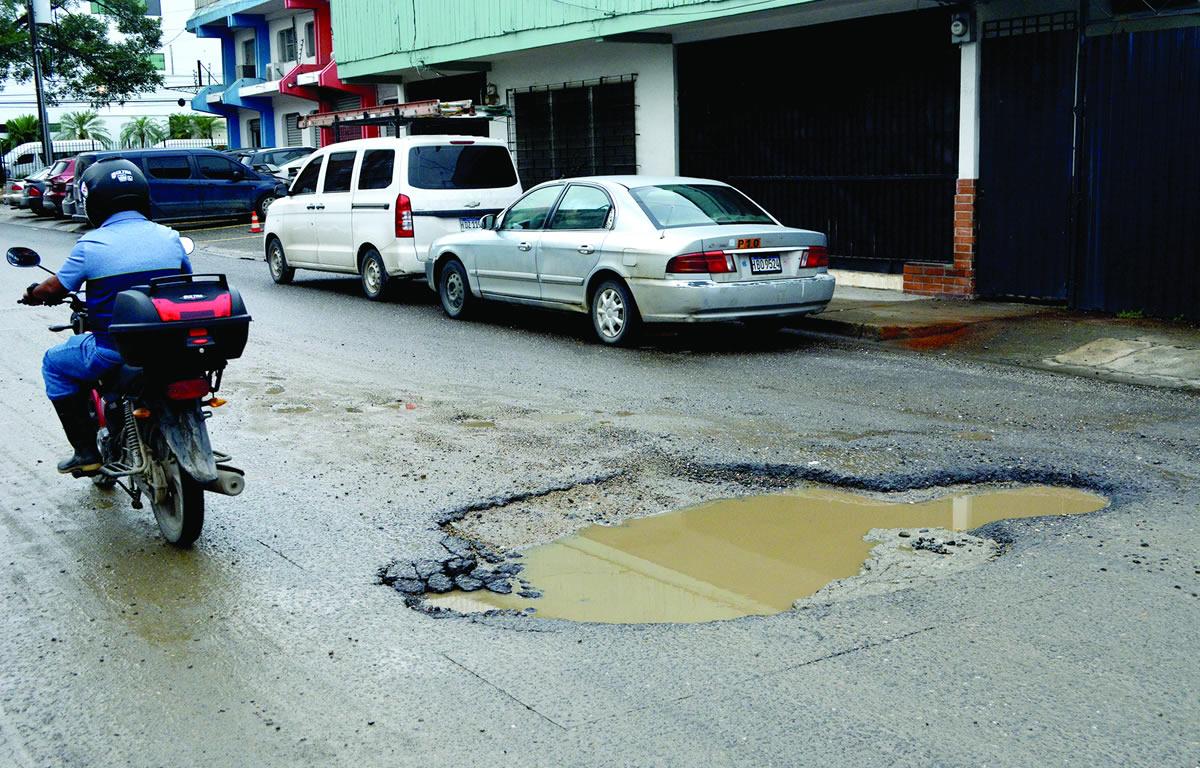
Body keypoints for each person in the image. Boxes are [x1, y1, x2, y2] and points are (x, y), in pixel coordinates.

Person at [20, 157, 192, 475]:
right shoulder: (169, 236)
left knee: (54, 363)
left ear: (93, 202)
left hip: (114, 349)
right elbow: (184, 283)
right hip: (172, 343)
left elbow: (53, 289)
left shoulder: (91, 245)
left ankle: (86, 452)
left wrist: (33, 295)